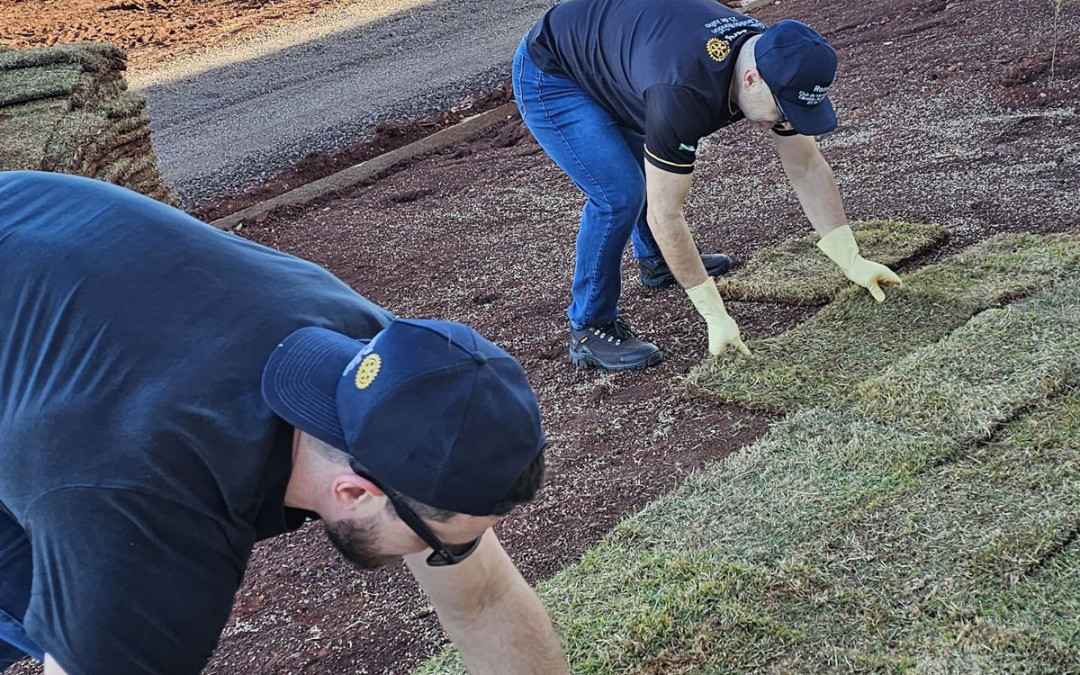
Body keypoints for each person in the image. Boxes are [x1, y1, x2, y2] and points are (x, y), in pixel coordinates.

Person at [0, 171, 569, 675]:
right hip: (47, 313)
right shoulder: (148, 504)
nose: (449, 556)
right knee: (77, 616)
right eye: (440, 549)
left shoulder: (398, 373)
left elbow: (484, 601)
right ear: (353, 491)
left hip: (42, 267)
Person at [513, 0, 902, 371]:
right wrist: (715, 315)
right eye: (786, 110)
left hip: (620, 54)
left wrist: (850, 257)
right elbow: (666, 214)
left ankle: (658, 264)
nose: (788, 121)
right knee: (620, 195)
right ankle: (590, 327)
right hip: (554, 73)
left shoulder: (772, 56)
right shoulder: (683, 93)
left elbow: (805, 164)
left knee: (648, 174)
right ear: (751, 78)